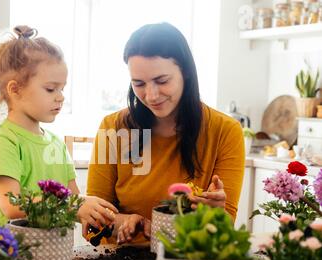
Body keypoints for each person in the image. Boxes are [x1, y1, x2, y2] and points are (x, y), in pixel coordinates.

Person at [84, 22, 245, 244]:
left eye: (162, 81)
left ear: (185, 72)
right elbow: (92, 226)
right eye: (139, 83)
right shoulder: (112, 128)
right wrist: (127, 222)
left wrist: (215, 215)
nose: (151, 95)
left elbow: (225, 230)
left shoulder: (225, 131)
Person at [0, 25, 118, 226]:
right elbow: (12, 205)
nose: (60, 97)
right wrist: (73, 204)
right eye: (51, 89)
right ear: (15, 90)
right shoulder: (3, 142)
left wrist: (95, 214)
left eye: (62, 89)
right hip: (13, 253)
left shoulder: (56, 143)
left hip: (53, 252)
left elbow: (74, 200)